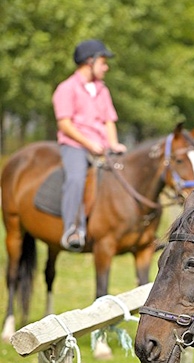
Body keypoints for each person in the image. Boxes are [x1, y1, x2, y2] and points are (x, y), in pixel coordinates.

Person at [52, 39, 127, 252]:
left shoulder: (102, 89)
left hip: (101, 146)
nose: (106, 67)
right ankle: (72, 229)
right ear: (89, 61)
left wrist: (113, 143)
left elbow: (109, 120)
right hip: (75, 145)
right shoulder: (66, 89)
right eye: (103, 62)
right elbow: (64, 124)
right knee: (76, 178)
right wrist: (89, 144)